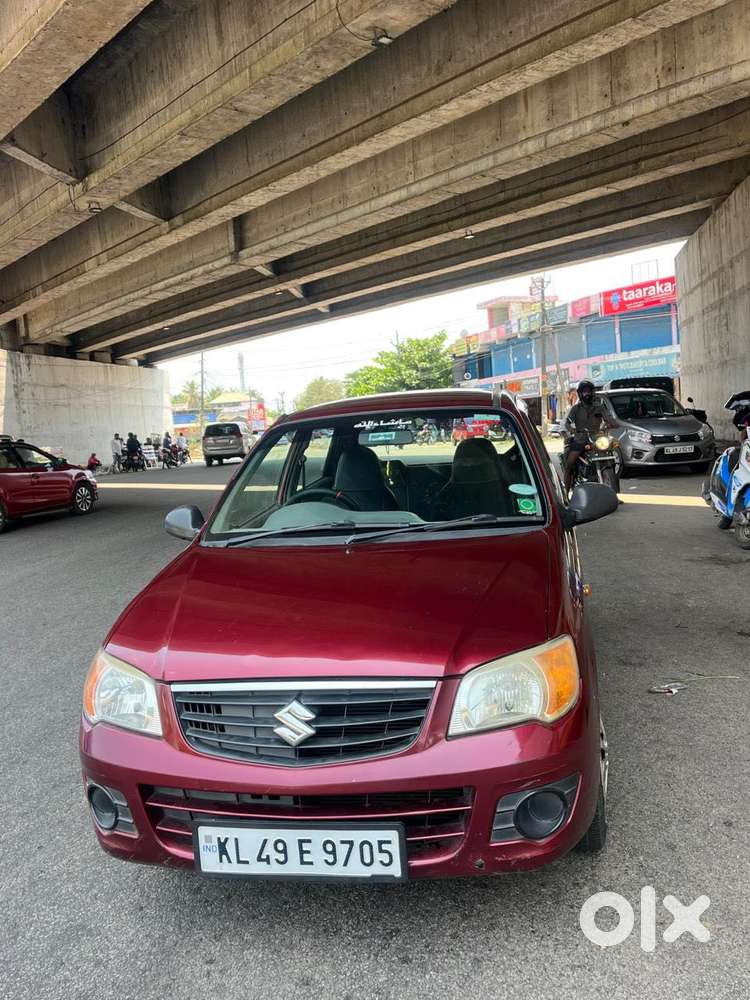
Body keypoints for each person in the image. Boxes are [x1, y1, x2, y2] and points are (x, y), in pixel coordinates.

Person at [562, 380, 606, 492]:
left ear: (593, 392)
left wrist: (612, 424)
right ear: (580, 393)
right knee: (569, 465)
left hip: (596, 438)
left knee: (608, 459)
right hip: (580, 439)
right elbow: (567, 423)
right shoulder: (575, 409)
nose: (587, 394)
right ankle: (565, 493)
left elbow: (609, 419)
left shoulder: (599, 408)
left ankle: (614, 495)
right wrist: (573, 429)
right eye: (584, 392)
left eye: (589, 392)